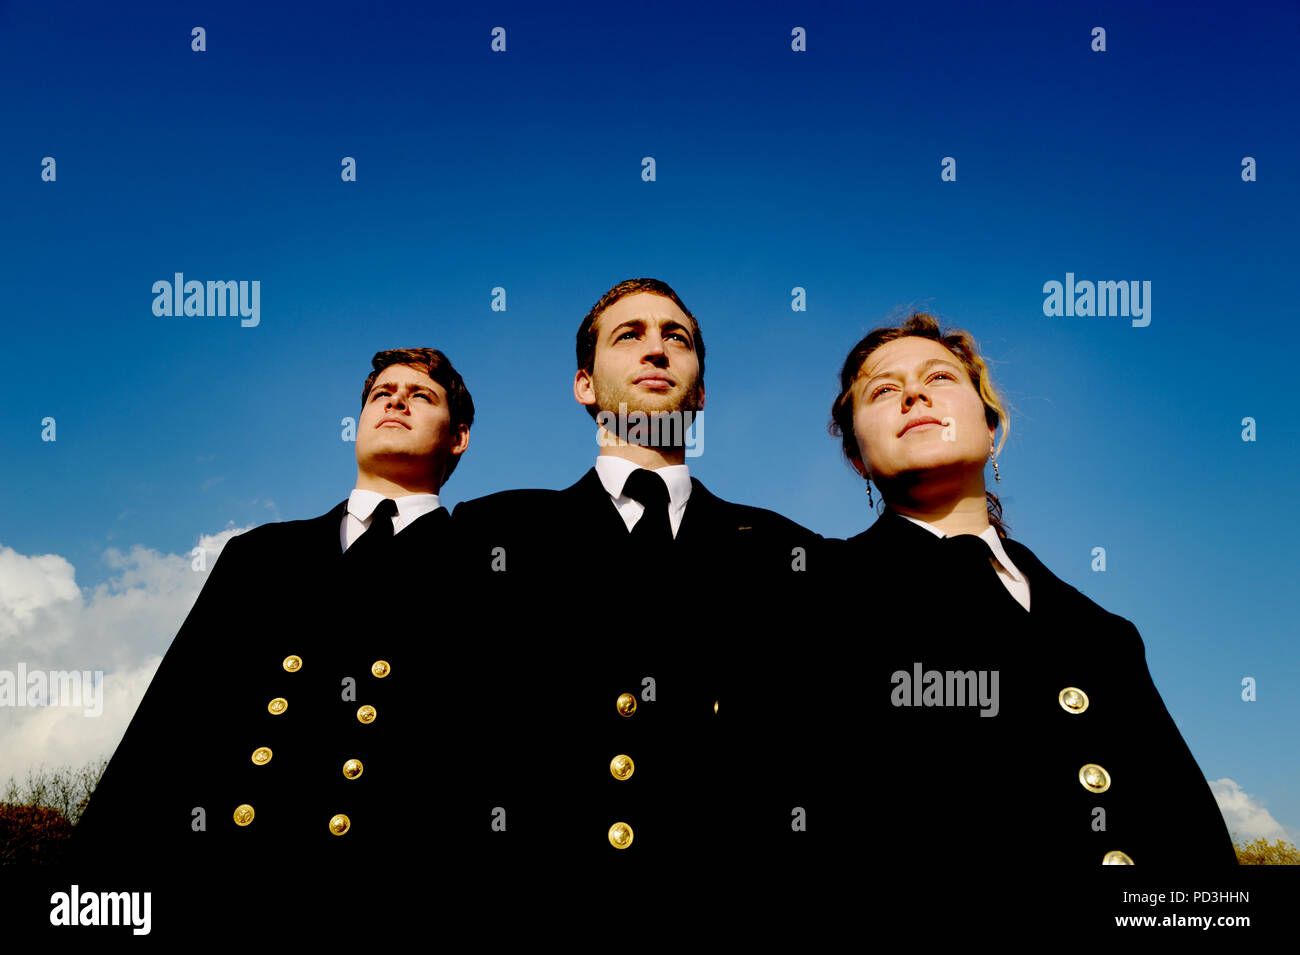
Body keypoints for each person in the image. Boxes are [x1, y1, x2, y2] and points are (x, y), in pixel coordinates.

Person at [827, 311, 1237, 878]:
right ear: (857, 458)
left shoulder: (1105, 631)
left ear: (991, 428)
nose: (915, 394)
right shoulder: (814, 591)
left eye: (941, 378)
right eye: (883, 390)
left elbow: (1192, 834)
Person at [453, 278, 830, 882]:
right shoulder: (493, 530)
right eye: (629, 336)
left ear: (701, 392)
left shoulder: (789, 551)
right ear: (584, 385)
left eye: (675, 338)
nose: (656, 350)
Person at [73, 348, 473, 875]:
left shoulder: (482, 560)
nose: (395, 401)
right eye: (381, 394)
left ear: (458, 436)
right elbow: (170, 725)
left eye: (420, 395)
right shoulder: (258, 553)